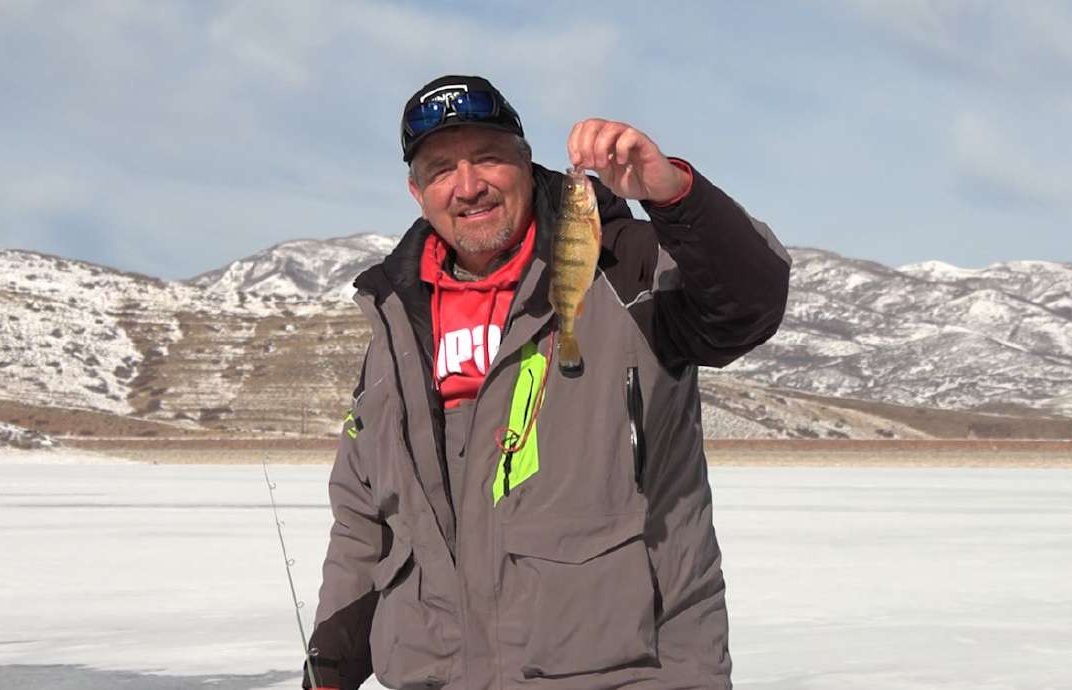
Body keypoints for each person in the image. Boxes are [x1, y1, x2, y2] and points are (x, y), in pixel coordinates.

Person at [303, 74, 791, 690]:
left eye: (487, 158)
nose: (468, 186)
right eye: (441, 169)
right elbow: (362, 515)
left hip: (626, 672)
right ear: (415, 190)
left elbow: (750, 304)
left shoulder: (623, 264)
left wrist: (673, 197)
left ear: (526, 162)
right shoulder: (396, 320)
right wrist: (330, 664)